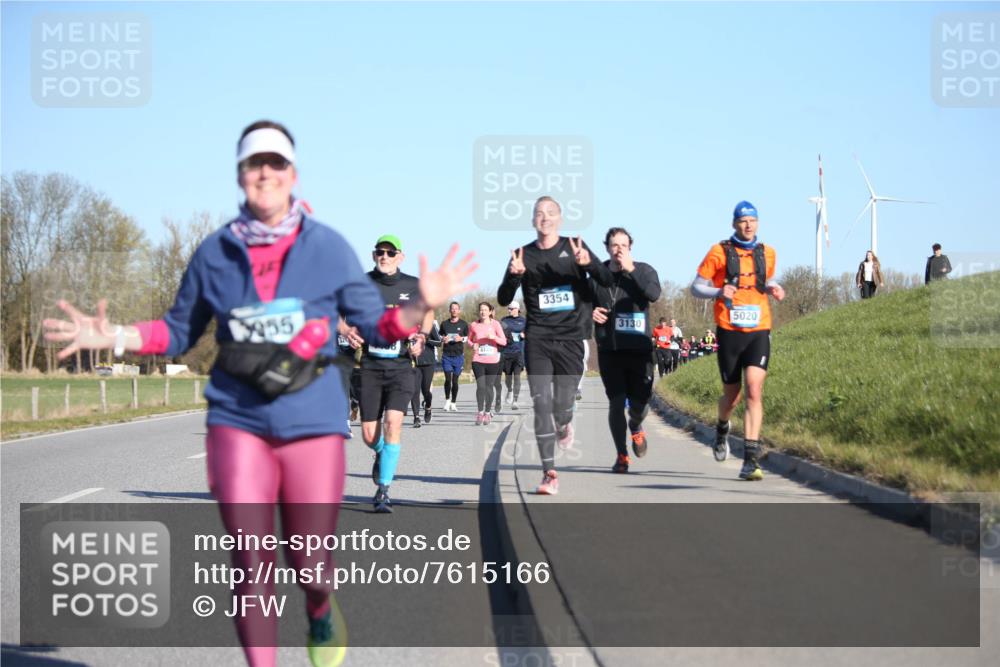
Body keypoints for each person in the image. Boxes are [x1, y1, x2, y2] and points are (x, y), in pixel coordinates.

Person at [42, 120, 476, 667]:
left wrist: (418, 307)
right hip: (237, 419)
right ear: (241, 175)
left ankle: (319, 607)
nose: (264, 173)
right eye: (253, 163)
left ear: (291, 175)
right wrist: (119, 337)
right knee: (251, 560)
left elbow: (375, 327)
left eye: (275, 163)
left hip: (310, 418)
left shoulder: (327, 249)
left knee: (309, 563)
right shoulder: (216, 252)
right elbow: (178, 330)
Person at [497, 195, 614, 495]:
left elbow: (607, 280)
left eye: (550, 213)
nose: (545, 217)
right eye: (539, 213)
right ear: (533, 219)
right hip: (538, 337)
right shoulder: (523, 254)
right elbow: (502, 297)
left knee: (562, 405)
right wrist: (514, 276)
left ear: (559, 218)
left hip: (571, 338)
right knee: (541, 404)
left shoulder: (574, 246)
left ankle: (565, 423)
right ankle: (549, 472)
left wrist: (589, 265)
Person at [339, 234, 436, 514]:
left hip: (402, 367)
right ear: (373, 256)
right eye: (380, 252)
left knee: (394, 423)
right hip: (369, 367)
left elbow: (427, 312)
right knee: (370, 434)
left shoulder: (412, 286)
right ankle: (381, 451)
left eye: (390, 253)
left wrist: (422, 335)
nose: (384, 256)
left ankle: (383, 490)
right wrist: (345, 330)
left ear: (400, 257)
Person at [690, 200, 785, 481]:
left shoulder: (768, 253)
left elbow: (762, 283)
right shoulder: (719, 251)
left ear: (757, 223)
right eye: (743, 220)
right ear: (734, 224)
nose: (748, 225)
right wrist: (719, 292)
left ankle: (750, 459)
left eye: (752, 220)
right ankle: (721, 428)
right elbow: (696, 287)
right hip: (730, 330)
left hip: (759, 329)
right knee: (733, 396)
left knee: (755, 390)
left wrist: (773, 287)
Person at [590, 227, 661, 473]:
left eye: (623, 245)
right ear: (607, 248)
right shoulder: (597, 277)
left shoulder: (644, 270)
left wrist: (630, 269)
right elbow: (581, 307)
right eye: (614, 245)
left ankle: (636, 426)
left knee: (640, 405)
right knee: (616, 402)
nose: (618, 249)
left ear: (630, 247)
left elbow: (653, 294)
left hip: (640, 349)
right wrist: (591, 312)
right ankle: (621, 455)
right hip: (610, 350)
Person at [468, 302, 507, 425]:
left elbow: (504, 341)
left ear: (490, 312)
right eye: (481, 310)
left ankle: (487, 412)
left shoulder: (495, 324)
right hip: (478, 360)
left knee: (489, 387)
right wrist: (472, 344)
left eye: (485, 310)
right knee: (481, 386)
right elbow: (469, 339)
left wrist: (493, 338)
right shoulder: (474, 325)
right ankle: (480, 413)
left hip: (492, 361)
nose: (483, 312)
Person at [408, 319, 441, 427]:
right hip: (413, 364)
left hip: (428, 363)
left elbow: (439, 342)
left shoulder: (429, 326)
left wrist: (426, 339)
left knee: (426, 390)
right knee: (414, 390)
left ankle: (428, 407)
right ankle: (416, 417)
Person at [439, 301, 469, 411]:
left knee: (455, 381)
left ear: (459, 310)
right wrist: (443, 339)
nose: (454, 310)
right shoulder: (444, 324)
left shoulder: (464, 324)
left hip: (458, 356)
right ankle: (447, 401)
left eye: (456, 308)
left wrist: (461, 339)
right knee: (447, 379)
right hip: (447, 355)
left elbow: (468, 338)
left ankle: (453, 402)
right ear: (449, 310)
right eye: (452, 308)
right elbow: (440, 336)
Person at [499, 301, 527, 409]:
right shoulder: (504, 321)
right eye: (508, 308)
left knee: (517, 376)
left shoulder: (524, 321)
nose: (509, 310)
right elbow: (500, 334)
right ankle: (510, 390)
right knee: (508, 377)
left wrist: (525, 335)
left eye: (511, 309)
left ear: (517, 309)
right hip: (506, 352)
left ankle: (515, 400)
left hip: (519, 352)